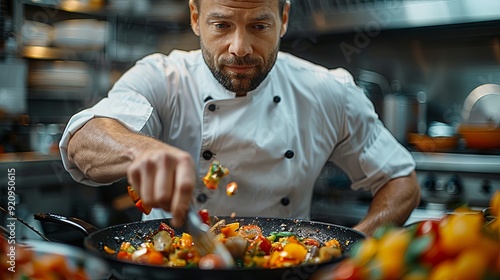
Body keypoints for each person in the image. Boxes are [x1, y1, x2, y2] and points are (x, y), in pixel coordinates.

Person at [59, 0, 420, 236]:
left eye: (259, 26)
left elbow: (401, 181)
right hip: (169, 270)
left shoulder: (327, 91)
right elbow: (83, 141)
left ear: (284, 19)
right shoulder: (164, 77)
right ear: (196, 18)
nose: (240, 48)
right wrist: (142, 152)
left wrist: (351, 249)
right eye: (221, 25)